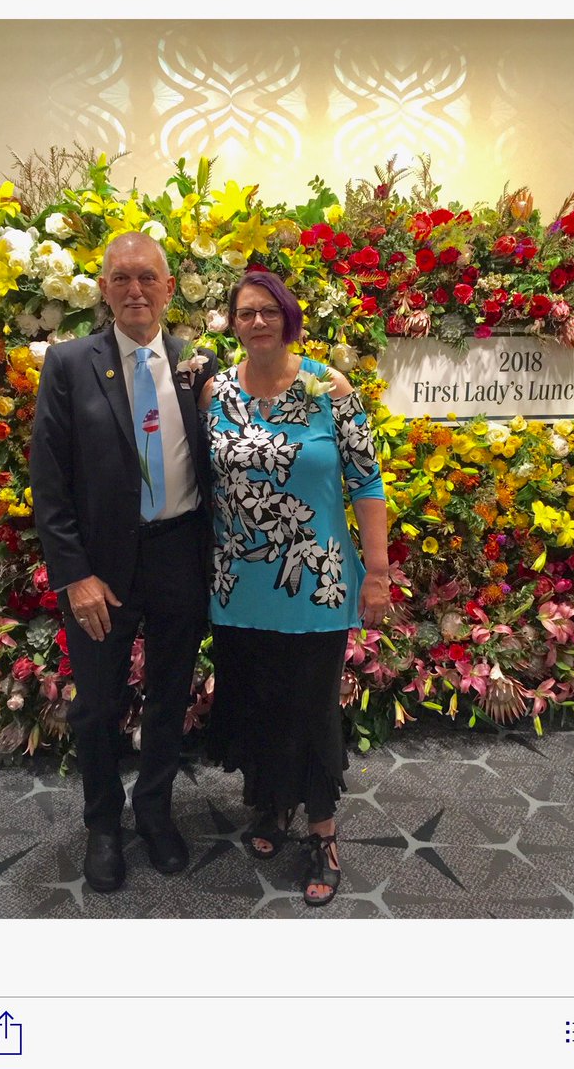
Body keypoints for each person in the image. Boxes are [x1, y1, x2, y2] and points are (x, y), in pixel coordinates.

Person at [30, 231, 217, 893]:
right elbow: (49, 484)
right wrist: (74, 574)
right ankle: (103, 825)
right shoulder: (68, 364)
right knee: (98, 704)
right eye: (121, 279)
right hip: (99, 570)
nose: (135, 290)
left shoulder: (198, 366)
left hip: (178, 556)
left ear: (168, 289)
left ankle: (155, 813)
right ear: (104, 290)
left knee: (169, 697)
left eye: (148, 278)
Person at [200, 270, 389, 907]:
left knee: (310, 709)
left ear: (289, 318)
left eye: (269, 312)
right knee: (256, 699)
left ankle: (322, 833)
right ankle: (271, 808)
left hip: (315, 580)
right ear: (231, 321)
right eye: (245, 312)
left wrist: (380, 573)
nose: (257, 322)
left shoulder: (328, 387)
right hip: (238, 583)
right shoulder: (215, 393)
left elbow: (366, 483)